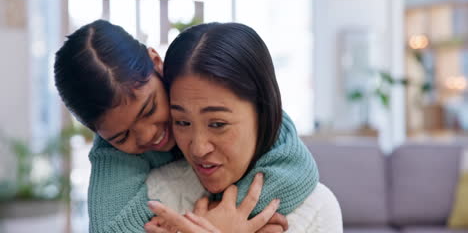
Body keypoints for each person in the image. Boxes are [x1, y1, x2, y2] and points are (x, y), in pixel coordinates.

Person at [53, 20, 321, 233]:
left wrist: (222, 218)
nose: (148, 135)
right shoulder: (113, 153)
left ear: (157, 63)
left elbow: (295, 166)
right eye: (122, 136)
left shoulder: (198, 86)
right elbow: (109, 229)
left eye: (150, 109)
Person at [144, 22, 343, 233]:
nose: (198, 149)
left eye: (218, 124)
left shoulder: (316, 210)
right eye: (182, 122)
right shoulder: (157, 195)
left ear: (262, 113)